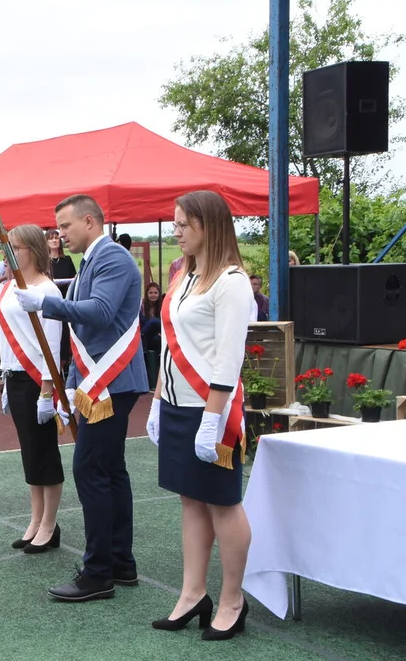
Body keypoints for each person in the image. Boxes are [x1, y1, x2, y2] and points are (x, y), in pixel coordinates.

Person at [15, 194, 148, 602]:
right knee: (110, 471)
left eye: (65, 227)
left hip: (113, 382)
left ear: (89, 221)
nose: (59, 236)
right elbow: (82, 336)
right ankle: (119, 562)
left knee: (90, 470)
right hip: (102, 382)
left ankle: (98, 572)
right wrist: (71, 383)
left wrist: (48, 303)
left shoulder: (111, 259)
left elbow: (101, 312)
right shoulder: (93, 260)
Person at [146, 190, 253, 640]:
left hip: (210, 410)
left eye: (183, 224)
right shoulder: (182, 276)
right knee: (190, 500)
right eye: (175, 223)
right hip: (174, 404)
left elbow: (228, 358)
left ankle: (232, 599)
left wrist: (212, 420)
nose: (177, 231)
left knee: (223, 503)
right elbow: (170, 347)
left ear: (209, 225)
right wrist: (156, 400)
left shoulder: (231, 281)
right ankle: (192, 594)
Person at [0, 225, 66, 554]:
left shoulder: (47, 290)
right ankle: (35, 519)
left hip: (37, 378)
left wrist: (46, 391)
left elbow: (51, 344)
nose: (9, 255)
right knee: (29, 451)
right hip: (14, 374)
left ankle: (50, 524)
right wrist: (5, 379)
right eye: (7, 249)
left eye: (16, 248)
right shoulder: (11, 286)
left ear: (33, 250)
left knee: (44, 452)